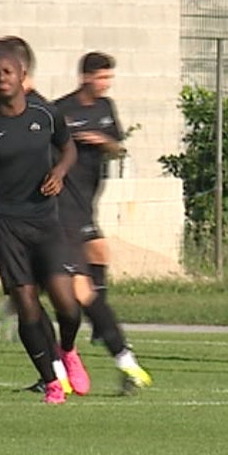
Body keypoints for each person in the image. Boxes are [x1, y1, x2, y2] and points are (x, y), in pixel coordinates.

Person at [0, 51, 82, 404]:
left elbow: (68, 149)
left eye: (7, 71)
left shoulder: (46, 114)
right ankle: (51, 380)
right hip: (5, 223)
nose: (0, 77)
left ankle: (67, 350)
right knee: (26, 304)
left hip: (44, 219)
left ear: (22, 74)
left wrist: (59, 172)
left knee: (66, 304)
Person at [50, 51, 152, 393]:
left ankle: (87, 339)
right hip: (61, 209)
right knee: (81, 290)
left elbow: (118, 148)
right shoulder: (61, 110)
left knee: (97, 258)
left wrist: (102, 141)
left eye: (109, 78)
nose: (106, 84)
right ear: (85, 77)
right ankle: (123, 360)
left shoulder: (106, 109)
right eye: (101, 78)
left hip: (84, 207)